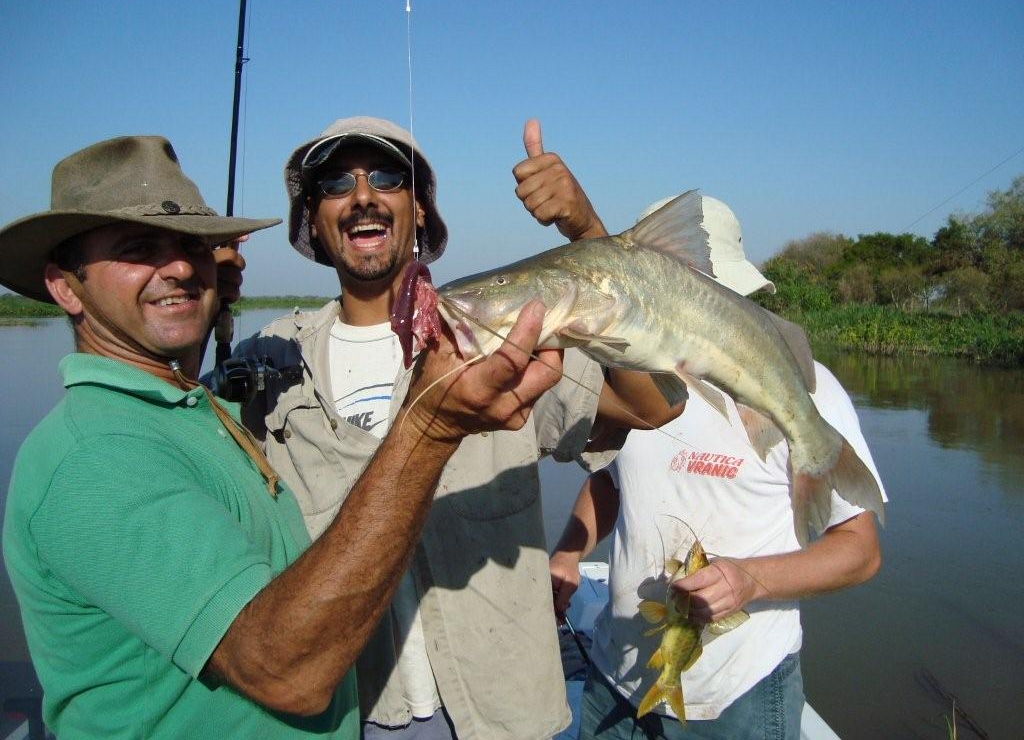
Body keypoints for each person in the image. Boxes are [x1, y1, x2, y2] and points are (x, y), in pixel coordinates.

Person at [0, 135, 568, 739]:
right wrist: (431, 424)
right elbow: (286, 671)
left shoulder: (193, 411)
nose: (179, 266)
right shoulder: (97, 456)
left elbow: (643, 404)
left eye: (193, 246)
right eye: (140, 249)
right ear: (64, 286)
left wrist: (198, 306)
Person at [233, 116, 680, 740]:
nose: (363, 195)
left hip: (503, 715)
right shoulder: (268, 360)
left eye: (388, 177)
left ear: (419, 210)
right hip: (355, 714)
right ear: (313, 218)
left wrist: (588, 236)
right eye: (336, 183)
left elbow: (653, 405)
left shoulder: (505, 335)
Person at [548, 195, 887, 740]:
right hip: (614, 683)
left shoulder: (810, 388)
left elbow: (860, 550)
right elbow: (610, 481)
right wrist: (568, 551)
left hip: (740, 695)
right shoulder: (630, 380)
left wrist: (752, 580)